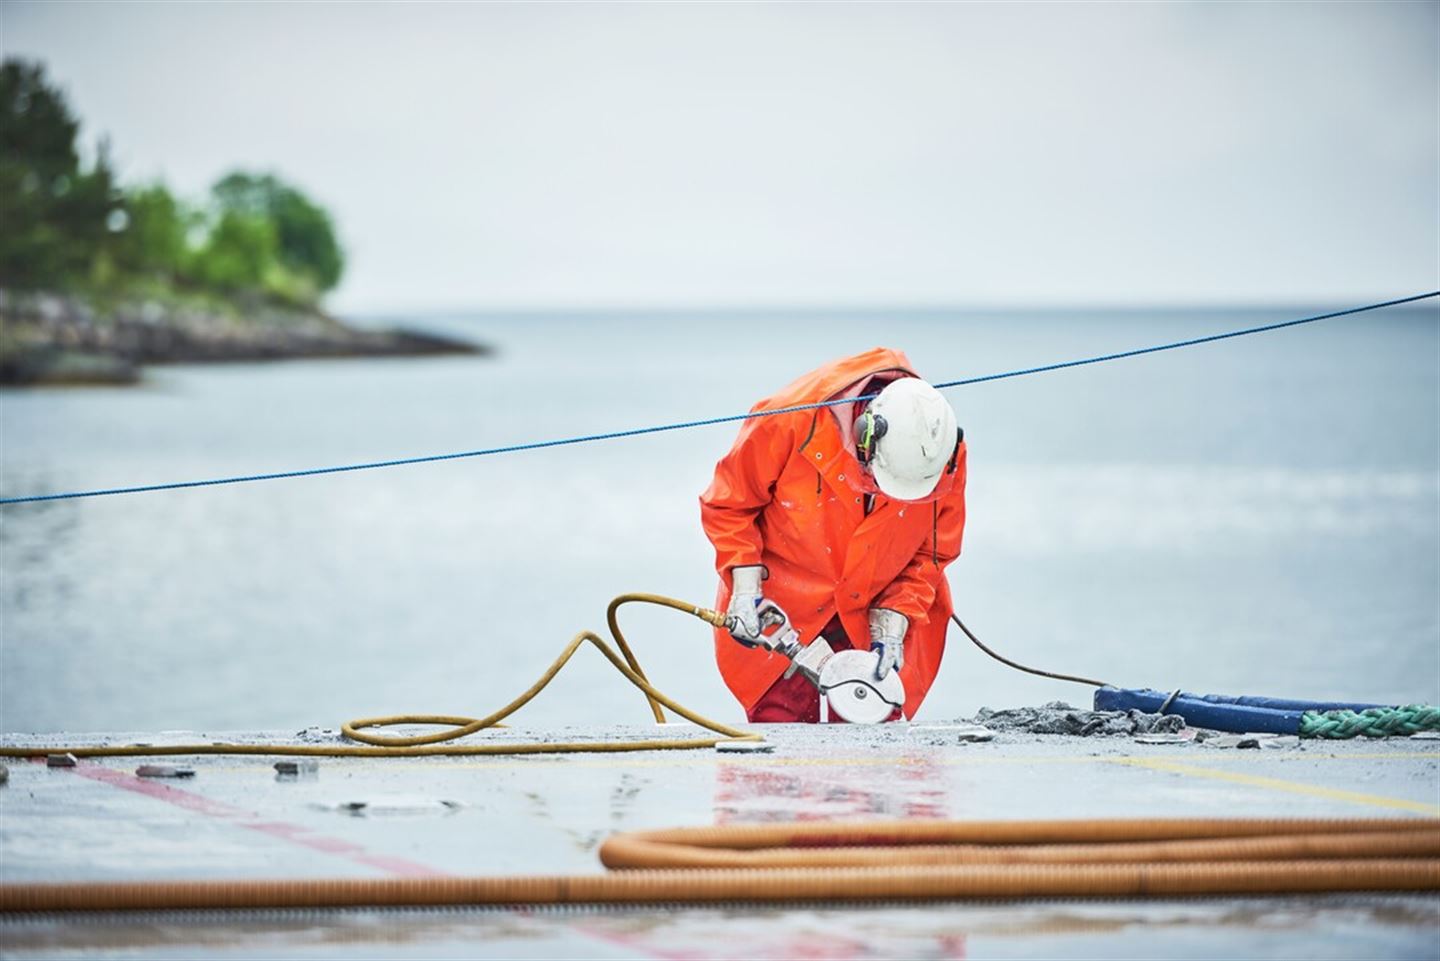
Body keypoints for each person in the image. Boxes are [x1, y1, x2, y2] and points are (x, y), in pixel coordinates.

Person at [699, 347, 967, 723]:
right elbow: (729, 506)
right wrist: (745, 590)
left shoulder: (939, 452)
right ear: (865, 435)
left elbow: (933, 553)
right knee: (781, 762)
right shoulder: (787, 421)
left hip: (874, 613)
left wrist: (894, 620)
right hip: (783, 616)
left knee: (874, 755)